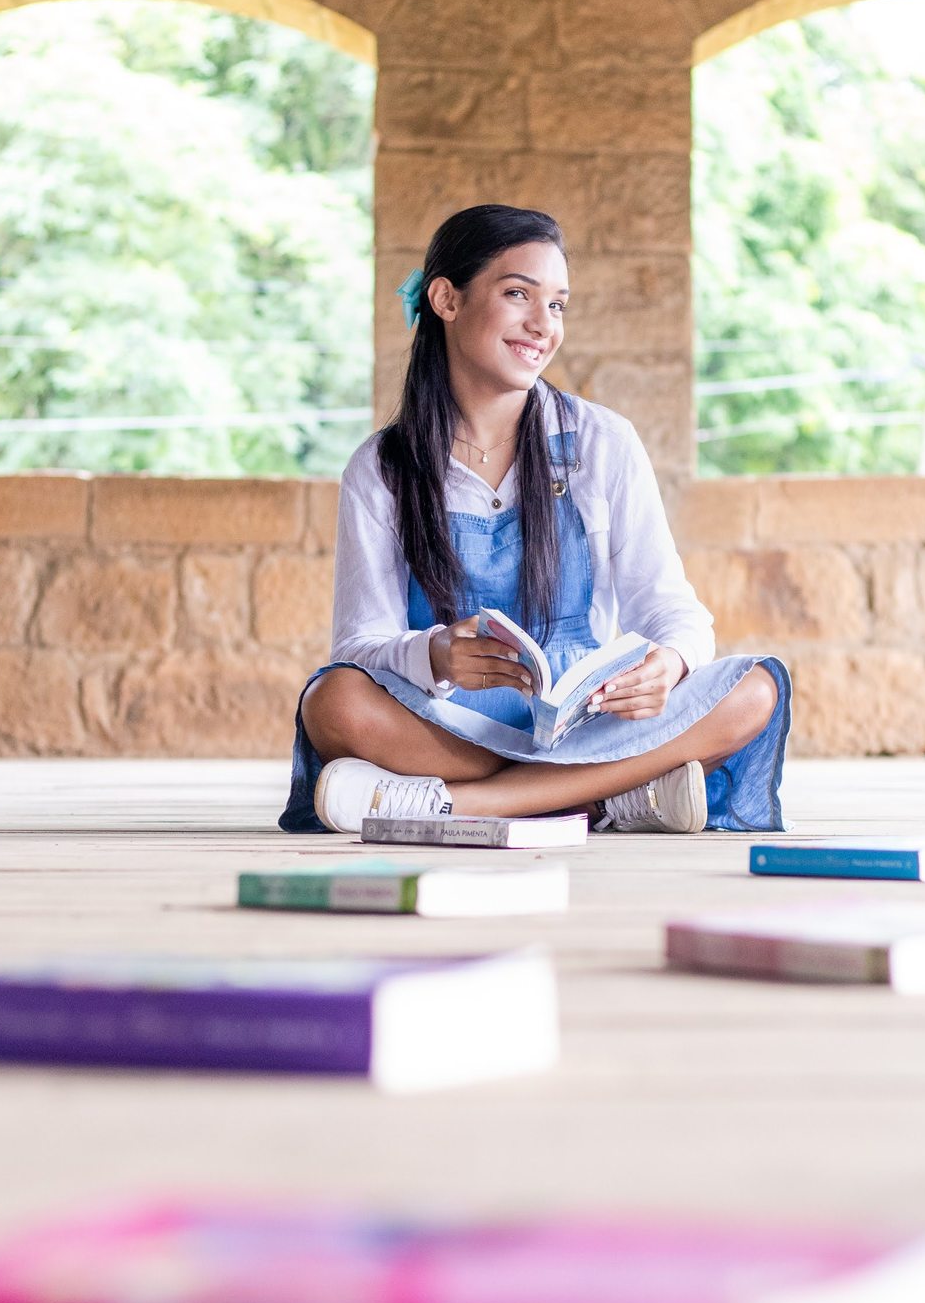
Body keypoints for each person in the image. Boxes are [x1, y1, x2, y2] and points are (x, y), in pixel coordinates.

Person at [280, 203, 791, 836]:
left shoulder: (604, 442)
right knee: (333, 703)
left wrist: (669, 666)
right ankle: (608, 795)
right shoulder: (383, 467)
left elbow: (675, 615)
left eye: (557, 305)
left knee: (754, 692)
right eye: (518, 294)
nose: (541, 325)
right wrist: (435, 654)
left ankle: (462, 806)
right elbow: (358, 647)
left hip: (586, 722)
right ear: (445, 299)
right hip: (450, 728)